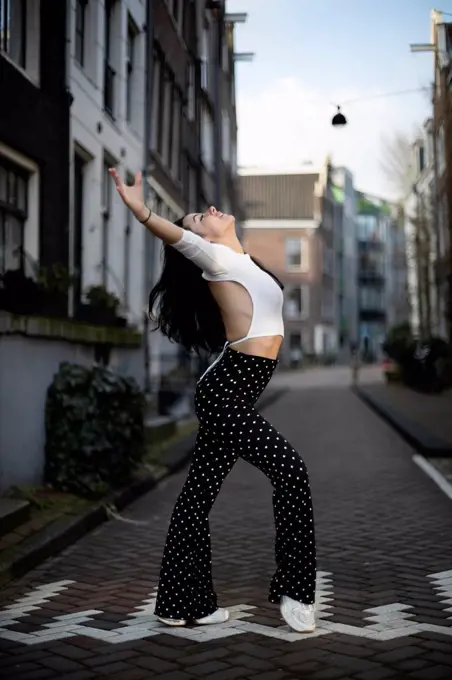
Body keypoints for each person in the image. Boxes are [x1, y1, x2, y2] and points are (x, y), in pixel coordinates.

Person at [109, 169, 316, 634]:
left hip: (232, 386)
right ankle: (296, 591)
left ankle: (182, 602)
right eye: (203, 217)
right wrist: (140, 208)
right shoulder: (215, 259)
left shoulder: (244, 262)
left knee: (197, 496)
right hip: (227, 392)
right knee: (291, 469)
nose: (213, 212)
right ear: (200, 236)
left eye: (207, 211)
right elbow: (175, 235)